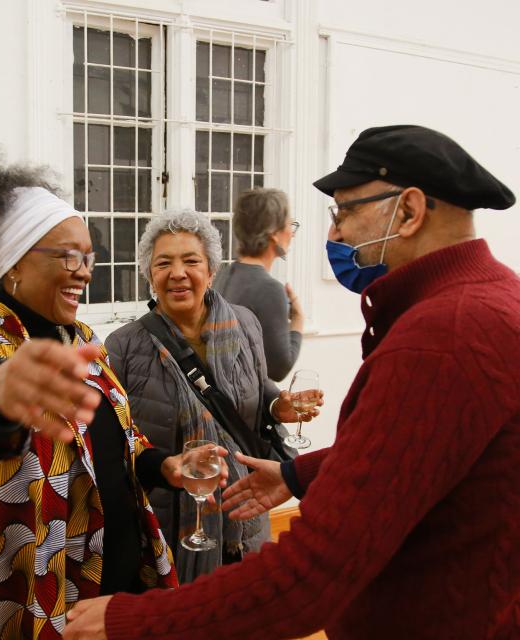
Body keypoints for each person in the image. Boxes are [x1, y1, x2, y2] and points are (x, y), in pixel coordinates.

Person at [62, 125, 520, 640]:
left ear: (408, 211)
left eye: (344, 212)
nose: (336, 235)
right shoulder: (484, 304)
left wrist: (132, 620)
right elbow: (413, 455)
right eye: (163, 263)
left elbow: (312, 575)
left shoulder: (442, 335)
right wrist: (296, 474)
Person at [0, 148, 229, 639]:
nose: (85, 271)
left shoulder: (82, 340)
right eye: (69, 256)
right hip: (33, 595)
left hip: (119, 576)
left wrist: (164, 466)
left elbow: (119, 440)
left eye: (88, 256)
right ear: (15, 263)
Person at [105, 210, 315, 583]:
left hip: (244, 508)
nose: (178, 273)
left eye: (191, 261)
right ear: (149, 275)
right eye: (163, 263)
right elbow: (116, 444)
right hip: (168, 525)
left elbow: (256, 386)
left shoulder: (245, 323)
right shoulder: (124, 346)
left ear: (211, 270)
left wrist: (276, 405)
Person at [214, 188, 304, 381]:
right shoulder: (269, 289)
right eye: (290, 224)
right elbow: (278, 370)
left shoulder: (223, 274)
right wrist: (298, 320)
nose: (292, 233)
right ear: (274, 234)